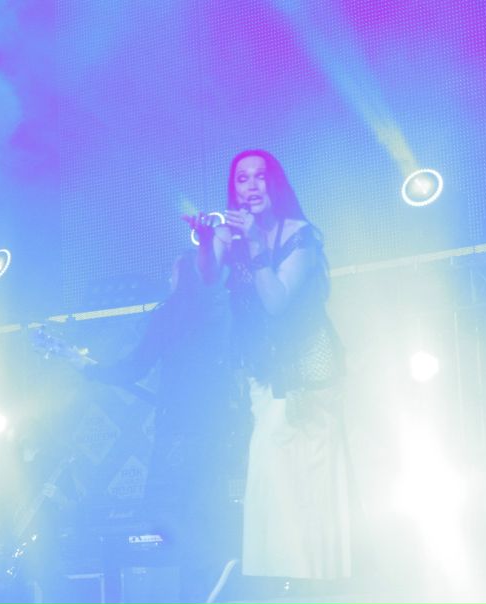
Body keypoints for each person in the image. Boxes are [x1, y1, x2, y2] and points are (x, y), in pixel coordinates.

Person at [185, 150, 351, 587]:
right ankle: (278, 578)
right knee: (269, 472)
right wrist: (207, 241)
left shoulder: (300, 236)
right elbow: (207, 280)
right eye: (242, 179)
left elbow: (276, 302)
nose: (251, 186)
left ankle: (320, 579)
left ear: (275, 183)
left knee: (312, 476)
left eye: (259, 177)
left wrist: (257, 247)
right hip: (265, 372)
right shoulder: (230, 234)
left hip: (310, 373)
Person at [84, 250, 240, 604]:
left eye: (172, 273)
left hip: (178, 429)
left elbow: (134, 367)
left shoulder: (169, 315)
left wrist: (90, 368)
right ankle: (212, 581)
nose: (168, 279)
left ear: (181, 276)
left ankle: (192, 589)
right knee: (207, 507)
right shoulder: (220, 310)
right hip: (216, 425)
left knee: (169, 512)